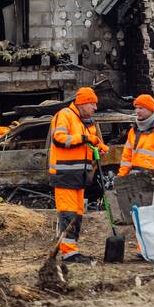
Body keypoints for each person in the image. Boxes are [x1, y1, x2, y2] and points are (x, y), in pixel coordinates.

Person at [48, 87, 108, 264]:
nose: (95, 108)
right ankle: (68, 254)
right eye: (92, 104)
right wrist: (84, 138)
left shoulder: (84, 121)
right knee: (68, 213)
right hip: (64, 174)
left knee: (77, 213)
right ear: (82, 103)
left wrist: (97, 148)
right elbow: (59, 138)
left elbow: (88, 144)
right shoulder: (65, 115)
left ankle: (72, 250)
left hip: (78, 176)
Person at [117, 94, 154, 183]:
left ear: (150, 109)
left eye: (141, 108)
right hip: (133, 177)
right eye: (136, 108)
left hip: (152, 178)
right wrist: (121, 176)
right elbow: (126, 157)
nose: (137, 111)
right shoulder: (133, 130)